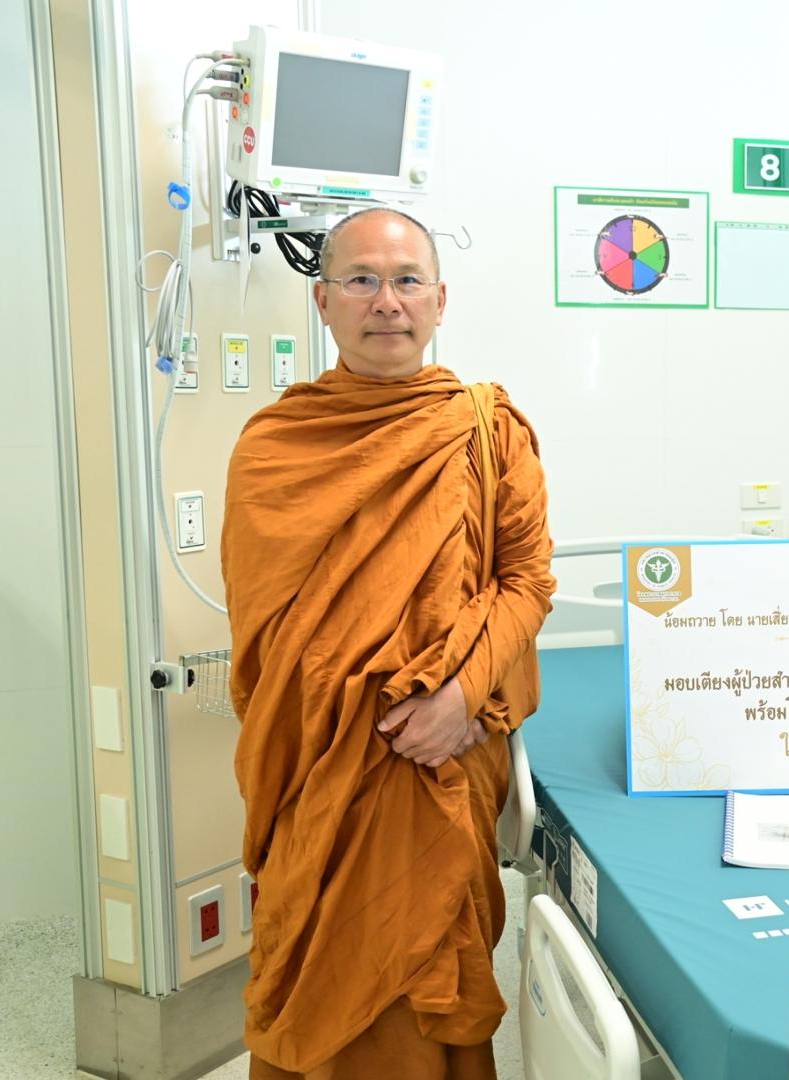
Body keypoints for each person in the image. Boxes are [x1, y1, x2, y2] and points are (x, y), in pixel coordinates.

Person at [221, 207, 555, 1079]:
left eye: (407, 281)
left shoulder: (487, 430)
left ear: (440, 300)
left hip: (443, 763)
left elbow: (527, 582)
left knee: (433, 968)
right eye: (362, 280)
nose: (386, 302)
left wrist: (461, 698)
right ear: (323, 302)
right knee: (316, 956)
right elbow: (264, 634)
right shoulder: (274, 447)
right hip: (321, 767)